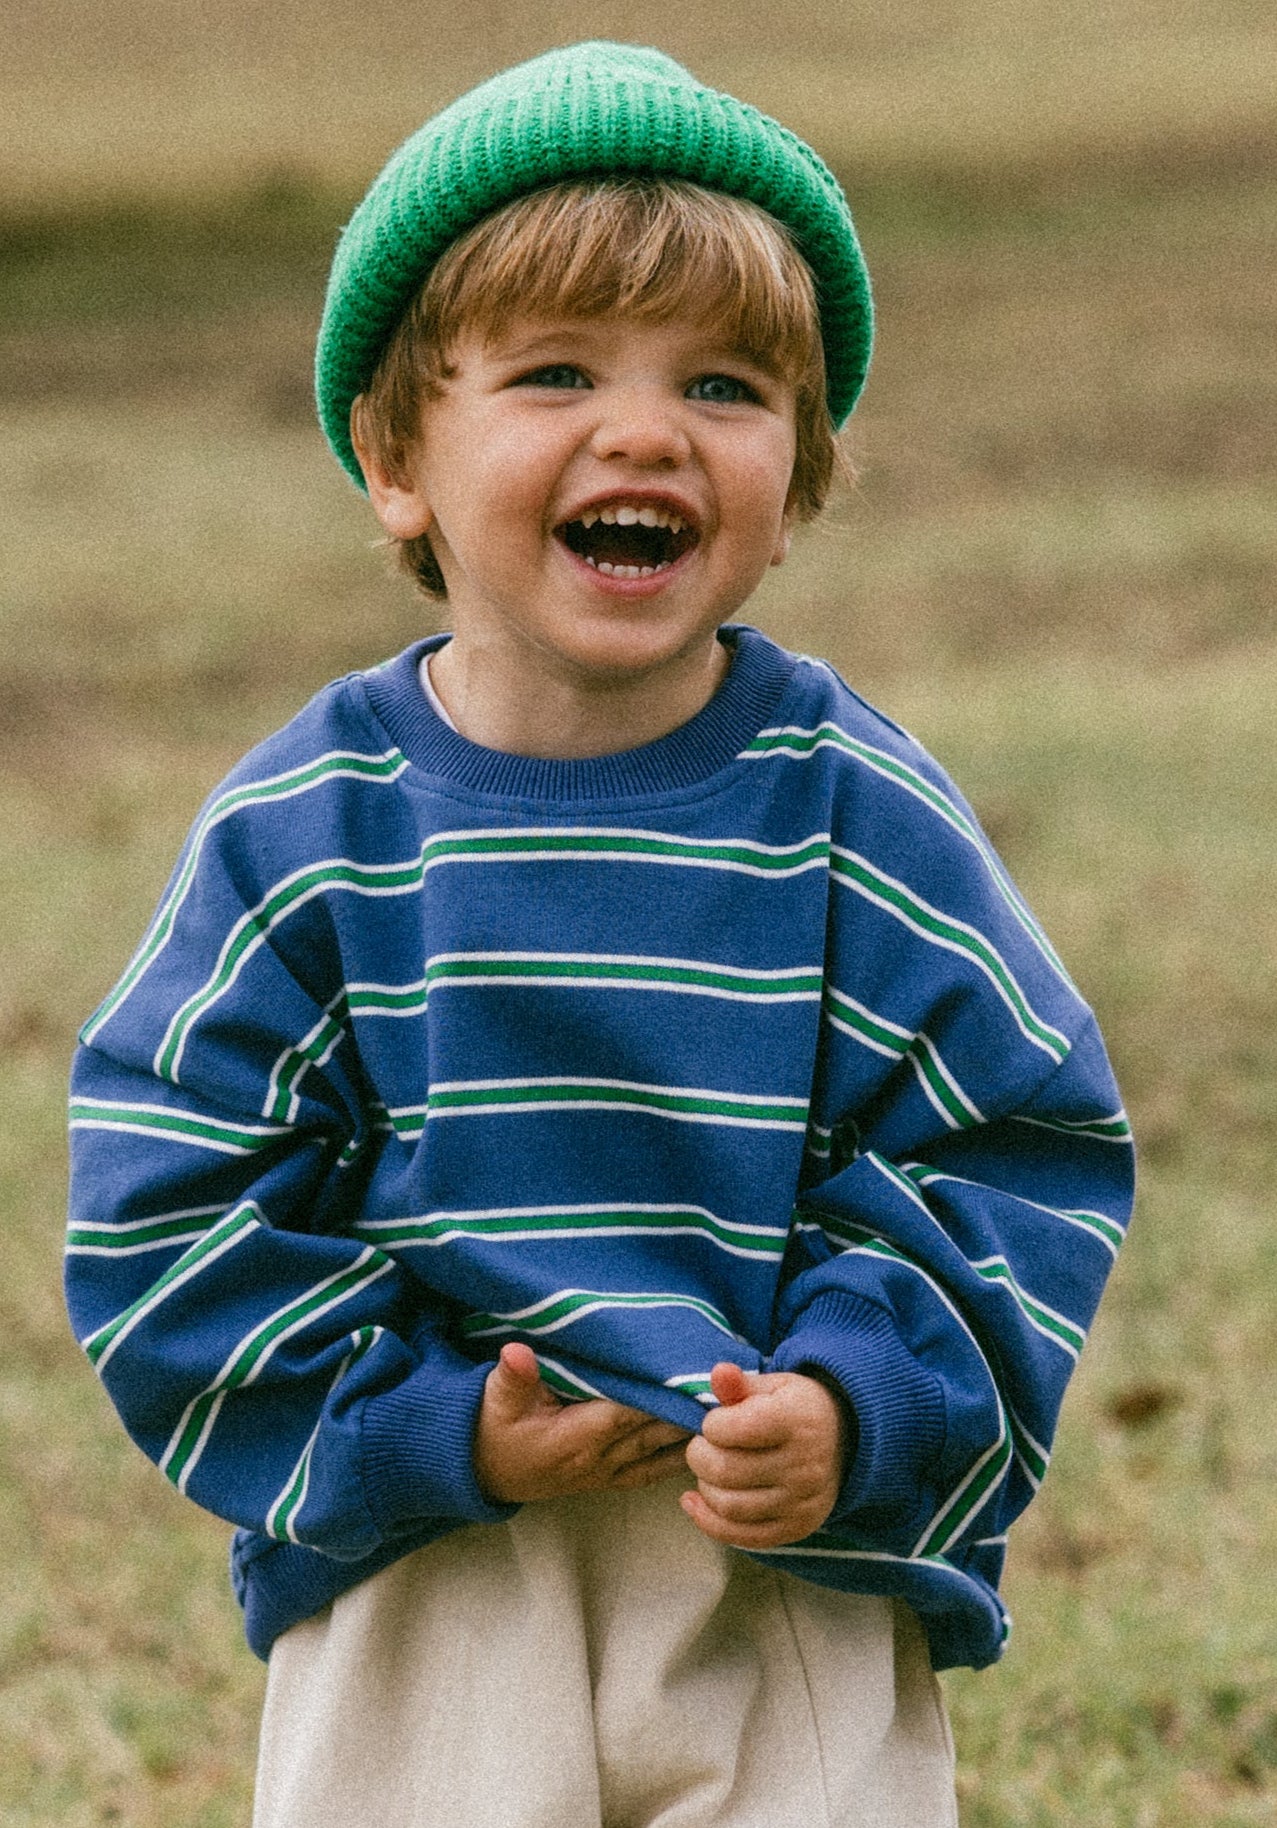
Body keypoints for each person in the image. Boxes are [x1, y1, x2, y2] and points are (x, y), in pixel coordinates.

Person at [65, 41, 1135, 1828]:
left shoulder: (857, 814)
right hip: (433, 1575)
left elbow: (1014, 1145)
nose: (642, 431)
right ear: (395, 457)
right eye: (555, 372)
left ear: (794, 479)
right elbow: (164, 1200)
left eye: (723, 386)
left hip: (779, 1561)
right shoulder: (311, 835)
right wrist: (416, 1423)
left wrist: (860, 1404)